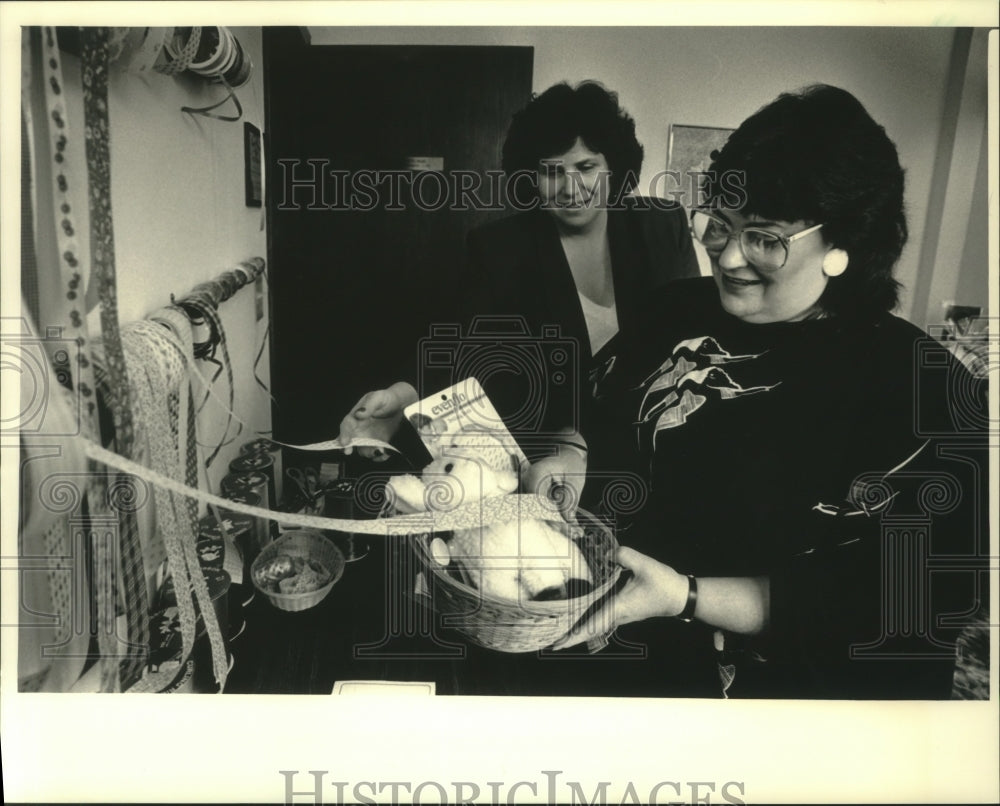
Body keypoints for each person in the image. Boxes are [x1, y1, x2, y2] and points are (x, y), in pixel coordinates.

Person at [553, 84, 986, 699]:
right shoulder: (673, 310)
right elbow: (593, 409)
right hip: (613, 649)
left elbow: (911, 602)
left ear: (843, 244)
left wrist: (687, 595)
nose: (727, 258)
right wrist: (572, 451)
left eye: (764, 238)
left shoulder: (922, 387)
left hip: (772, 701)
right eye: (718, 226)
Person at [339, 81, 700, 509]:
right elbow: (459, 345)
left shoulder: (661, 226)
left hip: (653, 447)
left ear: (613, 167)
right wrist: (399, 401)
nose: (570, 187)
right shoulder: (501, 247)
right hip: (554, 462)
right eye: (551, 171)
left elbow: (693, 338)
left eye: (586, 167)